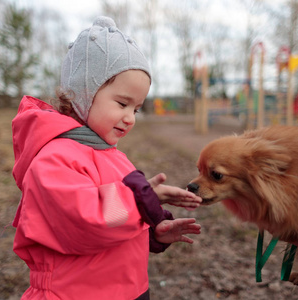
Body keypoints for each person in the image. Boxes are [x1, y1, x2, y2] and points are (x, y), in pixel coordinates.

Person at [11, 16, 202, 300]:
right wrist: (141, 200)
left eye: (136, 109)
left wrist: (152, 231)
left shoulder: (114, 156)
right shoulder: (54, 158)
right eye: (122, 104)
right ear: (83, 94)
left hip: (129, 290)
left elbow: (117, 225)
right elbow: (89, 222)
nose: (130, 118)